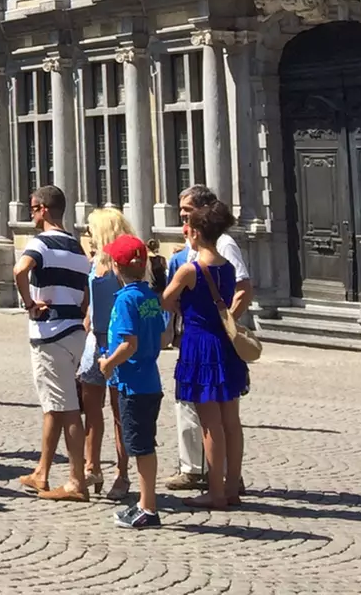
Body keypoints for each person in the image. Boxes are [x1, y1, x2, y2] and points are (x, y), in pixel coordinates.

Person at [163, 199, 249, 511]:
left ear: (197, 234)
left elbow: (165, 300)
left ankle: (215, 490)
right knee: (231, 422)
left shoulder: (190, 269)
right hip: (225, 345)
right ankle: (232, 486)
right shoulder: (226, 268)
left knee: (210, 423)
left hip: (199, 345)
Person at [12, 184, 92, 501]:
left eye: (32, 208)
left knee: (68, 410)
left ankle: (75, 481)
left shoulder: (41, 244)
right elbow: (86, 291)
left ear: (43, 209)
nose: (30, 214)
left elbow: (20, 269)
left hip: (50, 333)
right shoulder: (77, 247)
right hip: (75, 333)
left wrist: (29, 303)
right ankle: (41, 472)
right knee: (55, 406)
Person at [98, 233, 168, 529]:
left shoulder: (126, 300)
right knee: (141, 444)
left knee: (139, 446)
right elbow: (164, 337)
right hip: (149, 379)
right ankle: (144, 503)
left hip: (133, 383)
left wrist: (107, 363)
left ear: (116, 266)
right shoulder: (149, 297)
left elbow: (130, 344)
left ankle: (147, 506)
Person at [77, 206, 134, 500]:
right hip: (94, 340)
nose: (87, 235)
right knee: (91, 409)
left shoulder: (121, 265)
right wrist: (84, 327)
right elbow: (90, 303)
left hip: (116, 340)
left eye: (90, 229)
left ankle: (122, 473)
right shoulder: (94, 262)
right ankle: (92, 466)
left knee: (119, 412)